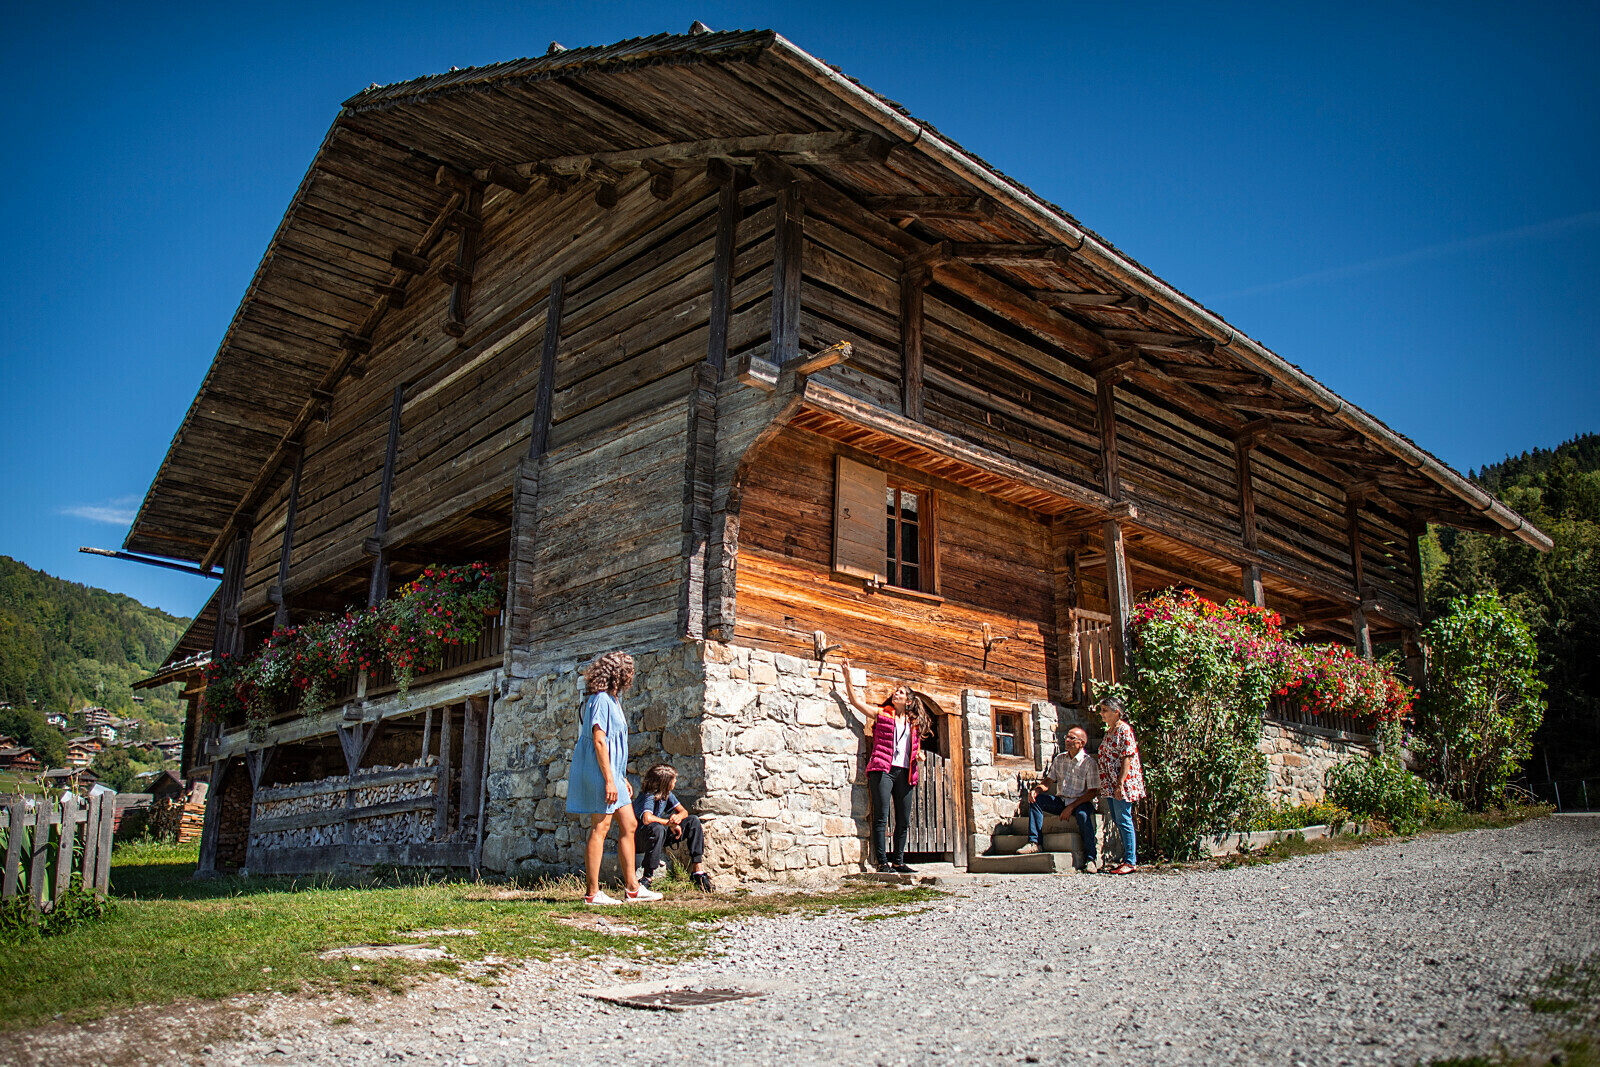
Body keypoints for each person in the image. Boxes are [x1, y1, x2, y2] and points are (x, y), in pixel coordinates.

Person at [565, 650, 662, 906]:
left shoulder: (613, 699)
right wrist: (609, 779)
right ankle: (592, 893)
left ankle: (632, 888)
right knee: (601, 827)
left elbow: (615, 743)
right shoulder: (600, 700)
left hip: (613, 773)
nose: (631, 675)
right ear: (618, 674)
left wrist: (621, 776)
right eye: (628, 670)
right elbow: (599, 741)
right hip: (600, 772)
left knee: (629, 825)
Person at [838, 656, 927, 874]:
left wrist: (919, 755)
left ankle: (898, 861)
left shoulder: (913, 724)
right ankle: (882, 862)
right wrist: (848, 676)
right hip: (883, 770)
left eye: (901, 692)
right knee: (881, 816)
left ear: (908, 702)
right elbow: (856, 703)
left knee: (904, 820)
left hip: (906, 773)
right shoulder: (882, 714)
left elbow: (913, 748)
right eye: (896, 691)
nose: (896, 693)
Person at [1018, 725, 1099, 869]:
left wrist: (1071, 807)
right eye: (1066, 737)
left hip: (1080, 802)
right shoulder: (1060, 759)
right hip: (1062, 800)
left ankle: (1091, 859)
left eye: (1072, 738)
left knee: (1083, 816)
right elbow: (1049, 781)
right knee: (1037, 801)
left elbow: (1093, 792)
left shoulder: (1089, 763)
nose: (1067, 740)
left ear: (1081, 743)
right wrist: (1037, 790)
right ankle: (1035, 843)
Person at [633, 762, 712, 891]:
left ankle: (697, 871)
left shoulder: (667, 795)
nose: (675, 781)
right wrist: (669, 823)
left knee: (693, 821)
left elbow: (684, 812)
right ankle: (647, 877)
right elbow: (647, 819)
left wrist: (677, 818)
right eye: (673, 779)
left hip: (659, 835)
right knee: (657, 828)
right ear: (665, 781)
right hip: (642, 838)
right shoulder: (648, 795)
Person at [1095, 696, 1146, 874]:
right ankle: (1127, 859)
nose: (1101, 714)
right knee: (1118, 819)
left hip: (1121, 782)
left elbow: (1128, 756)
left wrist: (1120, 783)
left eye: (1104, 710)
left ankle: (1130, 861)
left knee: (1124, 819)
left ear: (1116, 712)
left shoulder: (1124, 730)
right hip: (1109, 782)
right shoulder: (1110, 731)